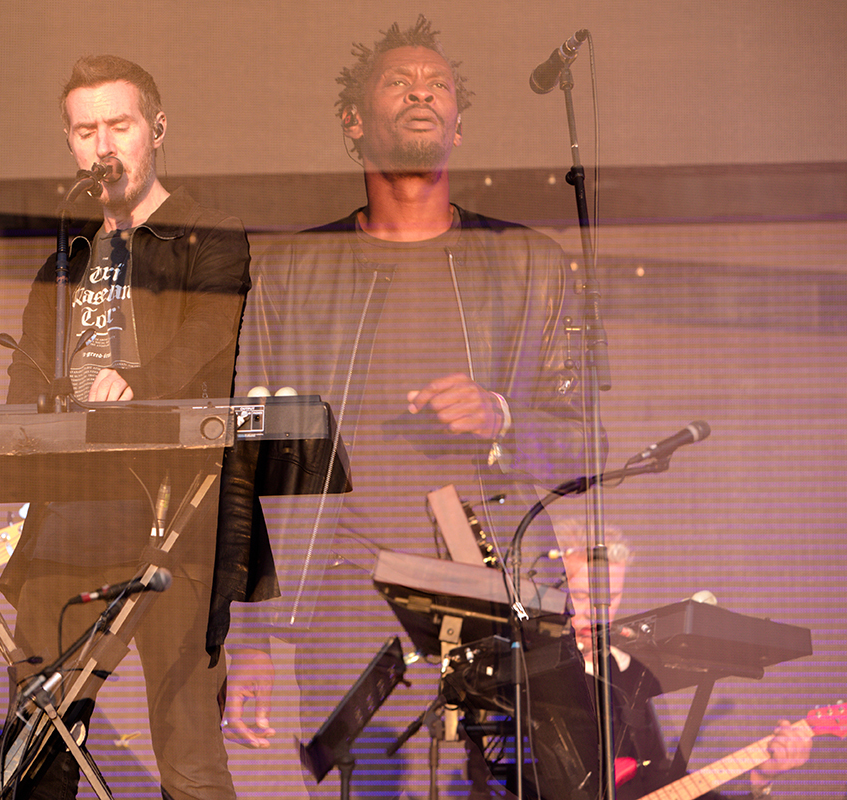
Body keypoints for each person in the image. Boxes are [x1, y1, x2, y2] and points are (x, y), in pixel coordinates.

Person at [223, 16, 601, 797]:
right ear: (354, 120)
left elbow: (582, 448)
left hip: (498, 596)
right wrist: (249, 636)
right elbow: (248, 458)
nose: (422, 93)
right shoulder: (295, 268)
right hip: (347, 594)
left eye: (439, 85)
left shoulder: (529, 261)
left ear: (459, 124)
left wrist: (501, 418)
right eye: (398, 82)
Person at [0, 55, 253, 800]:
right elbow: (26, 378)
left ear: (157, 129)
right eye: (86, 131)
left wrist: (137, 385)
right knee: (35, 759)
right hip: (70, 522)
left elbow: (208, 337)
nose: (102, 146)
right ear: (69, 144)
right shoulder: (66, 256)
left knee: (190, 758)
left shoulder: (208, 235)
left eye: (119, 125)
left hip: (175, 523)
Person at [544, 519, 812, 800]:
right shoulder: (534, 674)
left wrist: (759, 782)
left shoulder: (628, 669)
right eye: (580, 596)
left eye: (610, 598)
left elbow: (660, 782)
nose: (596, 612)